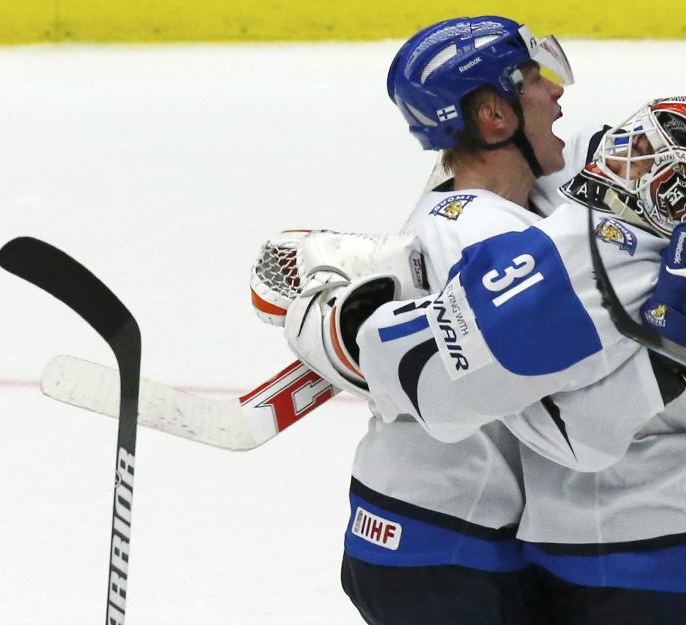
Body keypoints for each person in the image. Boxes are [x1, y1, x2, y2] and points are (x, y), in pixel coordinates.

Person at [281, 96, 686, 624]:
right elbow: (563, 426)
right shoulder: (556, 235)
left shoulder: (579, 235)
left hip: (547, 545)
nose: (560, 94)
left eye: (644, 147)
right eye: (539, 79)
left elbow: (551, 414)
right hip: (483, 540)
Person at [251, 15, 579, 625]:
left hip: (434, 529)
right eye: (538, 80)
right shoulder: (477, 232)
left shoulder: (493, 206)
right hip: (442, 545)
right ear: (495, 116)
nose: (557, 93)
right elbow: (579, 379)